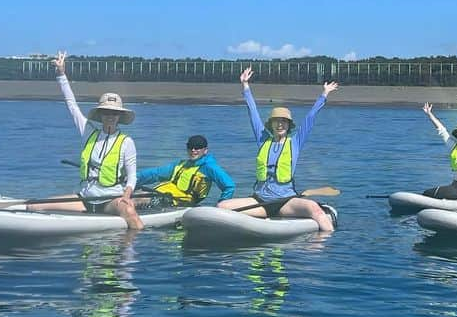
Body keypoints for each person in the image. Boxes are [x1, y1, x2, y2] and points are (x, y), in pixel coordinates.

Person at [216, 67, 338, 232]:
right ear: (271, 124)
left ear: (288, 125)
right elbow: (253, 114)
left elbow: (310, 118)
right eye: (276, 121)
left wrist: (324, 94)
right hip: (260, 201)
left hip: (286, 201)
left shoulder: (295, 142)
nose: (280, 124)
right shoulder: (263, 140)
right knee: (222, 206)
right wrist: (245, 85)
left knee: (315, 209)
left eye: (284, 121)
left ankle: (325, 242)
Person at [33, 51, 143, 230]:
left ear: (119, 116)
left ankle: (129, 254)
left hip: (111, 200)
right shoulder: (88, 131)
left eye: (114, 113)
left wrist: (127, 195)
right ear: (100, 114)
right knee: (34, 206)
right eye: (106, 112)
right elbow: (72, 105)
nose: (110, 116)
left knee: (131, 214)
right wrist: (61, 73)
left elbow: (132, 176)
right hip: (85, 199)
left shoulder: (126, 142)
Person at [135, 134, 236, 208]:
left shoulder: (209, 167)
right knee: (130, 192)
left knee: (136, 199)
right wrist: (133, 178)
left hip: (179, 203)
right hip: (160, 195)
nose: (193, 150)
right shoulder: (180, 165)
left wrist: (222, 204)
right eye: (190, 147)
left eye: (197, 147)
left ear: (205, 150)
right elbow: (155, 174)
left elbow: (229, 186)